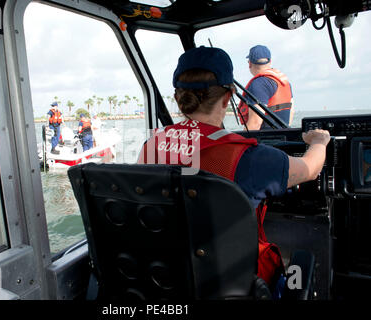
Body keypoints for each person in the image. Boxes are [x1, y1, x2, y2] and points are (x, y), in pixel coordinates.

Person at [137, 46, 330, 290]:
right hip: (233, 284)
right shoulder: (249, 157)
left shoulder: (150, 146)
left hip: (166, 280)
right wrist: (319, 141)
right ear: (228, 97)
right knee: (300, 268)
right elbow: (310, 168)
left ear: (178, 97)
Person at [238, 45, 295, 130]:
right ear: (270, 61)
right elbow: (291, 112)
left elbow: (255, 124)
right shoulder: (284, 82)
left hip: (265, 140)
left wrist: (241, 142)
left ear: (249, 64)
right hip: (283, 137)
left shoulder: (258, 84)